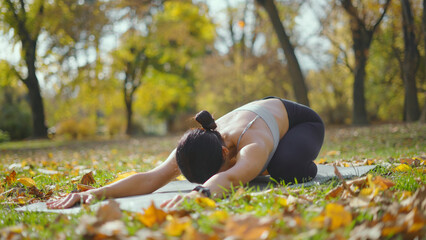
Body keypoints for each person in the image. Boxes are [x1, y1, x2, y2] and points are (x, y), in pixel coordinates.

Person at [47, 96, 324, 209]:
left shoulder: (252, 143)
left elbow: (227, 180)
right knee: (248, 173)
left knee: (281, 168)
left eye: (217, 170)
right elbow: (150, 178)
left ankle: (304, 166)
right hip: (263, 114)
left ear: (226, 153)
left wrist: (199, 193)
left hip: (303, 123)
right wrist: (92, 193)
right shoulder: (196, 143)